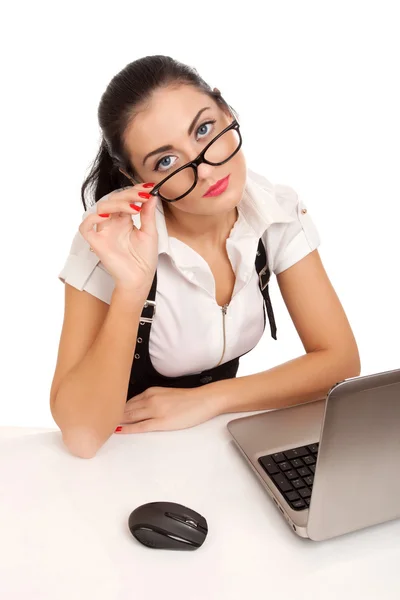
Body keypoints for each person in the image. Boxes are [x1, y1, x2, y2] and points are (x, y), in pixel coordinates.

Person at [50, 55, 361, 459]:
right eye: (166, 161)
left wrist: (211, 400)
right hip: (125, 459)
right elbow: (82, 438)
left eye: (203, 129)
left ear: (225, 109)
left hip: (219, 446)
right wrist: (131, 286)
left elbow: (340, 362)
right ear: (136, 179)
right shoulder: (112, 238)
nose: (207, 170)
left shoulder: (275, 212)